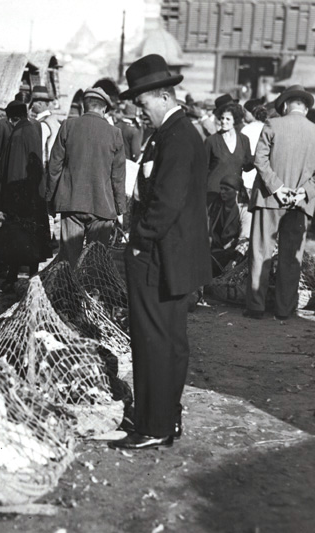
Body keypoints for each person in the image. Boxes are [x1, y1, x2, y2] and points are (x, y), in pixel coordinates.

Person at [108, 54, 211, 450]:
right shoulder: (172, 133)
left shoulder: (177, 137)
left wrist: (138, 243)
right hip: (170, 256)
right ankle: (167, 416)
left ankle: (153, 427)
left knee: (153, 340)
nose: (140, 110)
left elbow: (166, 203)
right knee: (168, 340)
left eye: (143, 102)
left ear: (164, 96)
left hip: (158, 256)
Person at [244, 84, 315, 320]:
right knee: (291, 257)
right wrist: (303, 193)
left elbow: (260, 160)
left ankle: (256, 306)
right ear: (306, 108)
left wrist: (277, 187)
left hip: (268, 198)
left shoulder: (272, 124)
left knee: (260, 252)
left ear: (286, 105)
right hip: (300, 203)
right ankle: (284, 309)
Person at [45, 87, 126, 267]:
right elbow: (118, 176)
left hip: (71, 203)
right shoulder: (115, 133)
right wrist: (120, 209)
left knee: (68, 260)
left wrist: (50, 200)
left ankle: (67, 285)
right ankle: (90, 286)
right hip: (102, 207)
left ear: (84, 106)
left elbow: (54, 167)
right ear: (104, 109)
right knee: (95, 261)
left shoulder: (68, 126)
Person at [0, 101, 48, 291]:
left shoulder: (18, 134)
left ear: (11, 118)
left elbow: (14, 170)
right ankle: (32, 277)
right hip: (33, 194)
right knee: (32, 238)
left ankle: (11, 279)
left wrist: (8, 198)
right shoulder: (33, 129)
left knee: (17, 238)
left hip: (20, 195)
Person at [204, 101, 254, 243]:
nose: (223, 122)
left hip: (233, 195)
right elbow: (203, 168)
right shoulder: (211, 141)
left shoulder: (244, 140)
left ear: (235, 120)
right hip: (213, 194)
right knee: (211, 234)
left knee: (231, 234)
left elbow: (247, 165)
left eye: (228, 119)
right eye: (222, 118)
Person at [240, 99, 267, 240]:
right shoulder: (267, 127)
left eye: (245, 111)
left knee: (247, 213)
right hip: (263, 176)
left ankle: (245, 241)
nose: (244, 114)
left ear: (252, 112)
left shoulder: (246, 130)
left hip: (248, 176)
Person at [30, 85, 61, 166]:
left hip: (43, 166)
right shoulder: (54, 120)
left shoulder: (42, 124)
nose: (31, 106)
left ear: (39, 104)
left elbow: (38, 149)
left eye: (33, 103)